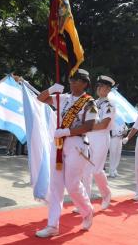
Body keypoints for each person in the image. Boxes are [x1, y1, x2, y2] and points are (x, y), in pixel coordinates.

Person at [35, 69, 97, 238]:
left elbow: (89, 126)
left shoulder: (89, 102)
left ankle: (87, 210)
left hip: (77, 144)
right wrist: (51, 89)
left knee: (72, 185)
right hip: (58, 144)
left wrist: (67, 132)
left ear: (85, 83)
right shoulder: (63, 99)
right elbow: (40, 99)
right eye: (71, 79)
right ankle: (52, 225)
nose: (73, 82)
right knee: (55, 186)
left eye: (77, 80)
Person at [82, 75, 115, 210]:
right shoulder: (92, 102)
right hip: (89, 138)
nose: (99, 88)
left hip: (101, 138)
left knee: (96, 170)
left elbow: (103, 124)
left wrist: (87, 127)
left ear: (107, 89)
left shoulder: (110, 105)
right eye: (98, 86)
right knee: (85, 171)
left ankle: (106, 194)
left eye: (102, 86)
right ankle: (84, 201)